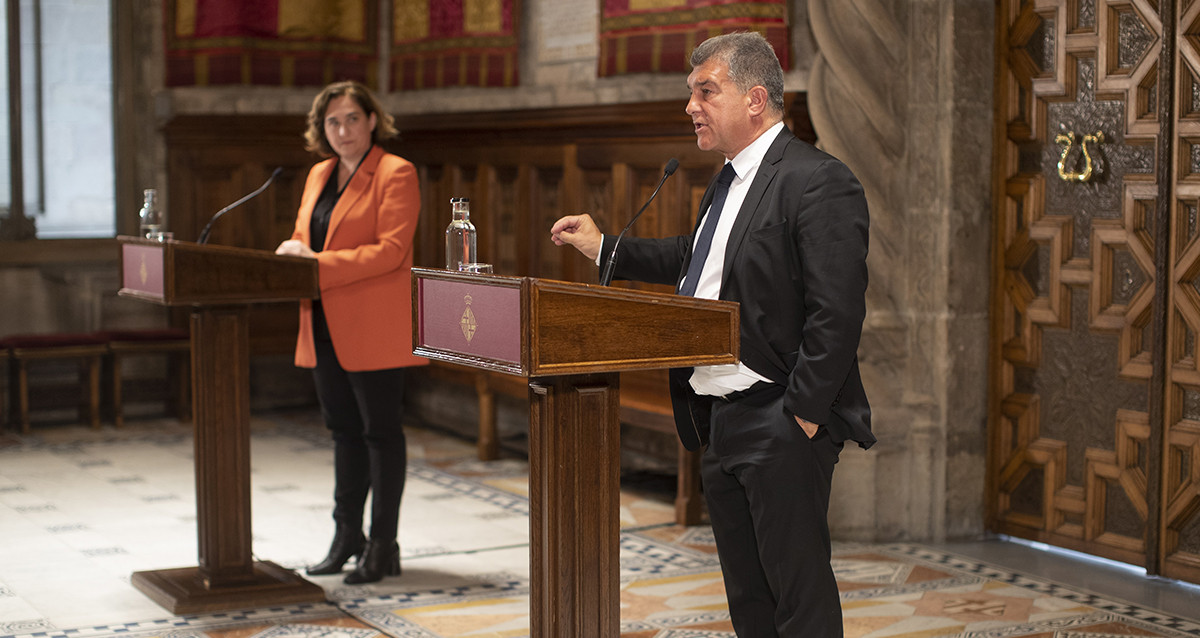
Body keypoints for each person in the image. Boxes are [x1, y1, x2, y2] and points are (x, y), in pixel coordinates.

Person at [549, 32, 874, 637]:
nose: (690, 106)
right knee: (750, 601)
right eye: (689, 93)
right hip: (720, 414)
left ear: (755, 99)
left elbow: (838, 313)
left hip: (780, 416)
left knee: (799, 599)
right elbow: (696, 259)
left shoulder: (818, 180)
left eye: (705, 91)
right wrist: (603, 247)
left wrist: (800, 414)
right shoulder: (726, 179)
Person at [276, 80, 427, 585]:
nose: (342, 130)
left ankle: (384, 543)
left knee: (380, 434)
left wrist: (313, 261)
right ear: (321, 128)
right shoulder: (319, 173)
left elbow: (391, 250)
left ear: (372, 121)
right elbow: (305, 236)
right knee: (343, 433)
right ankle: (347, 538)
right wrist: (293, 251)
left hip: (373, 323)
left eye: (351, 119)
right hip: (319, 319)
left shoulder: (395, 172)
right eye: (332, 122)